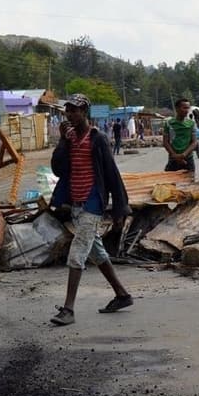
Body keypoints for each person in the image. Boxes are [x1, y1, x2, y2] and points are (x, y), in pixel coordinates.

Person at [49, 94, 133, 325]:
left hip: (93, 202)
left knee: (77, 252)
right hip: (76, 203)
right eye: (68, 110)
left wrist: (120, 209)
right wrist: (62, 140)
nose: (70, 115)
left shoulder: (98, 139)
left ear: (85, 112)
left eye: (74, 110)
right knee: (96, 252)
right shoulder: (69, 139)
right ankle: (122, 295)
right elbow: (57, 169)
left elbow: (112, 174)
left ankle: (68, 309)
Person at [163, 98, 197, 173]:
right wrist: (174, 155)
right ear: (177, 109)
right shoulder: (169, 123)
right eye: (184, 108)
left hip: (188, 159)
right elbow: (165, 142)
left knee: (190, 180)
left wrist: (183, 155)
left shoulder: (191, 124)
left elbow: (194, 142)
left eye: (188, 108)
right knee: (169, 180)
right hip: (173, 159)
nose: (186, 110)